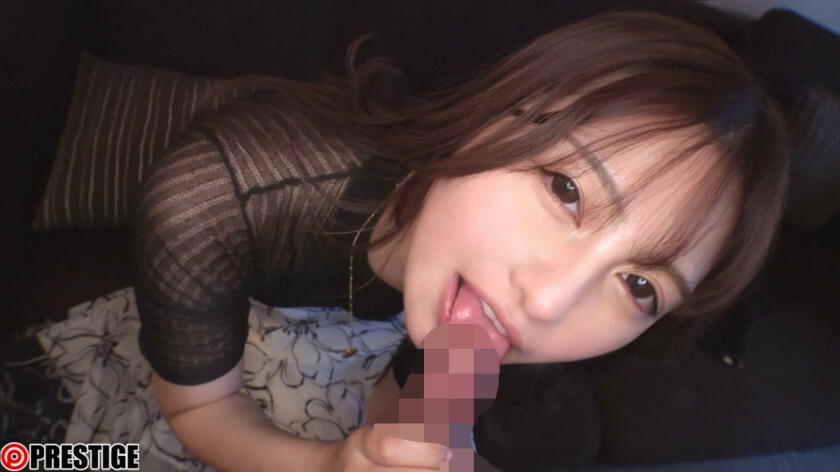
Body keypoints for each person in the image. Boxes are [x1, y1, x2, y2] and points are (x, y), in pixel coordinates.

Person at [40, 10, 788, 472]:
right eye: (567, 189)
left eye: (640, 284)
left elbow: (414, 407)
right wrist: (329, 465)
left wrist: (413, 445)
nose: (551, 301)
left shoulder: (561, 322)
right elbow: (199, 413)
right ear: (499, 111)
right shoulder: (216, 191)